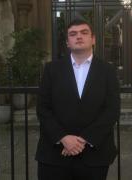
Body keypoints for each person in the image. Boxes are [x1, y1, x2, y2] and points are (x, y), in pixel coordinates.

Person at [35, 19, 120, 180]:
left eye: (84, 32)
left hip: (94, 155)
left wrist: (84, 140)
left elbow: (112, 110)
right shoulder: (51, 69)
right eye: (73, 34)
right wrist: (63, 138)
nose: (78, 37)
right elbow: (43, 108)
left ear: (93, 39)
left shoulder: (107, 70)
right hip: (55, 154)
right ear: (67, 42)